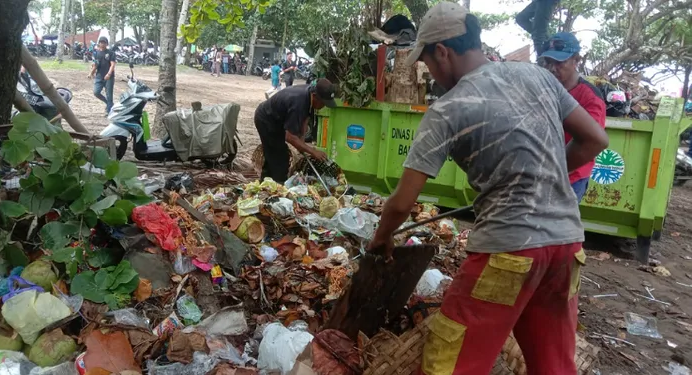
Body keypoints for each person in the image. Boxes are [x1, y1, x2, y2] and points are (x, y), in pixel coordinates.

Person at [367, 3, 608, 374]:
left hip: (508, 251)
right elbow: (594, 139)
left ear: (443, 52)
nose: (429, 72)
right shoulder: (538, 78)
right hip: (566, 247)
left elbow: (401, 203)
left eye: (427, 62)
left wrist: (382, 238)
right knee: (554, 364)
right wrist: (547, 170)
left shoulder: (448, 109)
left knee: (451, 363)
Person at [540, 32, 606, 202]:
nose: (552, 68)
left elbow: (591, 141)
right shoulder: (544, 88)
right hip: (540, 173)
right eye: (548, 62)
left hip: (570, 178)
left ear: (577, 60)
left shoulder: (590, 97)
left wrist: (558, 171)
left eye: (559, 62)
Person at [254, 78, 337, 183]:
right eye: (323, 103)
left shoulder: (310, 95)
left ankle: (266, 183)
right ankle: (277, 187)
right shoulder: (299, 102)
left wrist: (302, 143)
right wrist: (312, 151)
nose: (324, 106)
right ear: (316, 96)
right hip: (266, 120)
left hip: (279, 120)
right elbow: (290, 137)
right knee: (279, 157)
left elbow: (305, 119)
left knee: (274, 155)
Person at [88, 36, 116, 116]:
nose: (102, 44)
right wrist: (91, 73)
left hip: (109, 77)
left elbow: (113, 65)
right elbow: (96, 65)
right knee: (96, 92)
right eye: (101, 42)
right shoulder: (97, 53)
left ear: (106, 44)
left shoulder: (111, 53)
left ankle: (108, 110)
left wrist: (109, 74)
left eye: (104, 42)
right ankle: (109, 103)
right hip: (99, 76)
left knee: (109, 94)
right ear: (99, 43)